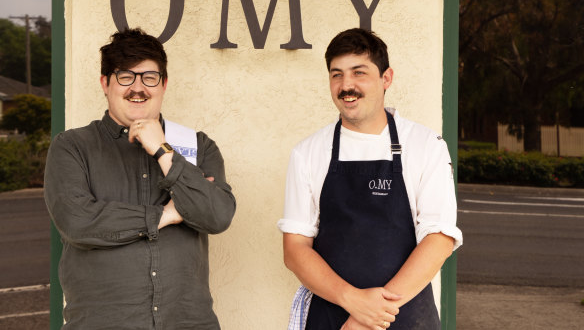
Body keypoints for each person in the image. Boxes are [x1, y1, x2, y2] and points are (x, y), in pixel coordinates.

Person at [44, 28, 236, 329]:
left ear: (164, 84)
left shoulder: (198, 146)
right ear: (105, 84)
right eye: (125, 77)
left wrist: (163, 151)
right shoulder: (72, 147)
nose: (138, 88)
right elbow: (78, 221)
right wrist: (168, 213)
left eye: (149, 77)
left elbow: (218, 215)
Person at [278, 28, 462, 330]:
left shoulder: (425, 145)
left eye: (358, 73)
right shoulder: (308, 153)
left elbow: (439, 239)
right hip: (333, 317)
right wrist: (353, 301)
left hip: (405, 316)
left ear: (386, 78)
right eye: (336, 75)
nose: (346, 85)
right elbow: (295, 249)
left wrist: (370, 317)